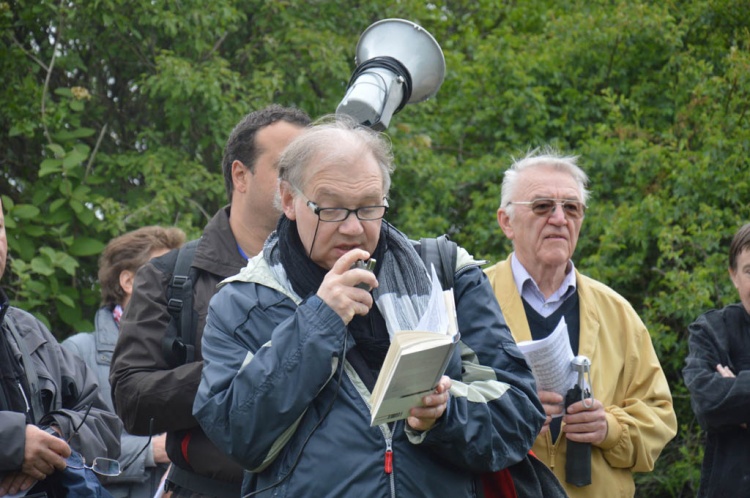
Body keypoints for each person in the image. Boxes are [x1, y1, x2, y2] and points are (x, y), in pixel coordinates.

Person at [192, 116, 545, 497]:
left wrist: (444, 415)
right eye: (331, 209)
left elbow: (521, 413)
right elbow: (237, 435)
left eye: (369, 207)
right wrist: (319, 321)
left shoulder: (444, 275)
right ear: (290, 200)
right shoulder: (244, 300)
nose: (353, 227)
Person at [109, 104, 310, 498]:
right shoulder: (170, 276)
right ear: (240, 175)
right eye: (288, 170)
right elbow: (131, 399)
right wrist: (240, 370)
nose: (303, 184)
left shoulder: (331, 274)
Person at [483, 148, 677, 497]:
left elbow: (660, 417)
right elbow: (435, 411)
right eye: (543, 206)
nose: (559, 218)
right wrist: (505, 415)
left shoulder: (618, 312)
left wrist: (610, 428)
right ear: (506, 222)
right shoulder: (472, 300)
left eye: (571, 208)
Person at [0, 197, 122, 497]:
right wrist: (14, 443)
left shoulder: (28, 330)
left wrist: (52, 439)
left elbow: (104, 420)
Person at [63, 226, 185, 498]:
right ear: (128, 282)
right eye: (166, 275)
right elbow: (63, 449)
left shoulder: (185, 350)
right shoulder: (77, 352)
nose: (178, 285)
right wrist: (150, 452)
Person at [683, 222, 750, 497]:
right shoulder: (711, 331)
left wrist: (737, 391)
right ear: (734, 276)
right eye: (749, 271)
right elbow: (707, 404)